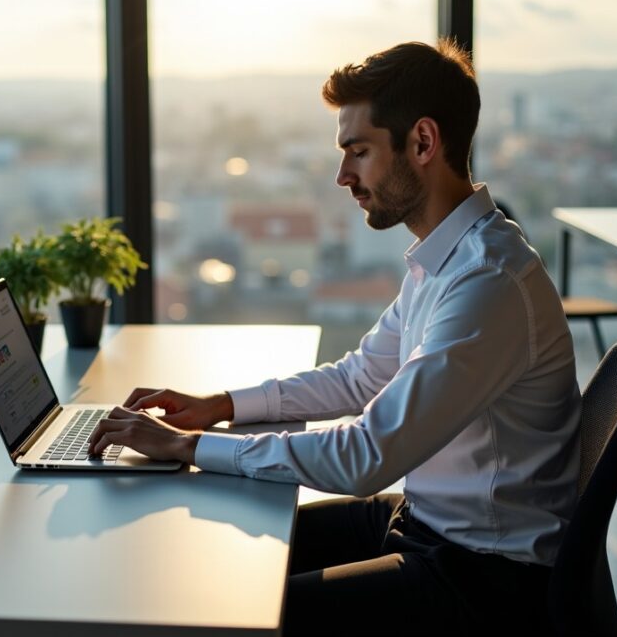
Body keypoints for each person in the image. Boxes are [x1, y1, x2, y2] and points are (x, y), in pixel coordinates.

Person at [88, 39, 580, 636]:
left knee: (234, 613)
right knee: (225, 558)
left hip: (483, 577)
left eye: (359, 151)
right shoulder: (448, 260)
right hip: (426, 522)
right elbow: (359, 377)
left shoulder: (488, 284)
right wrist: (218, 408)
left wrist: (186, 448)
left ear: (422, 142)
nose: (343, 175)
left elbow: (368, 456)